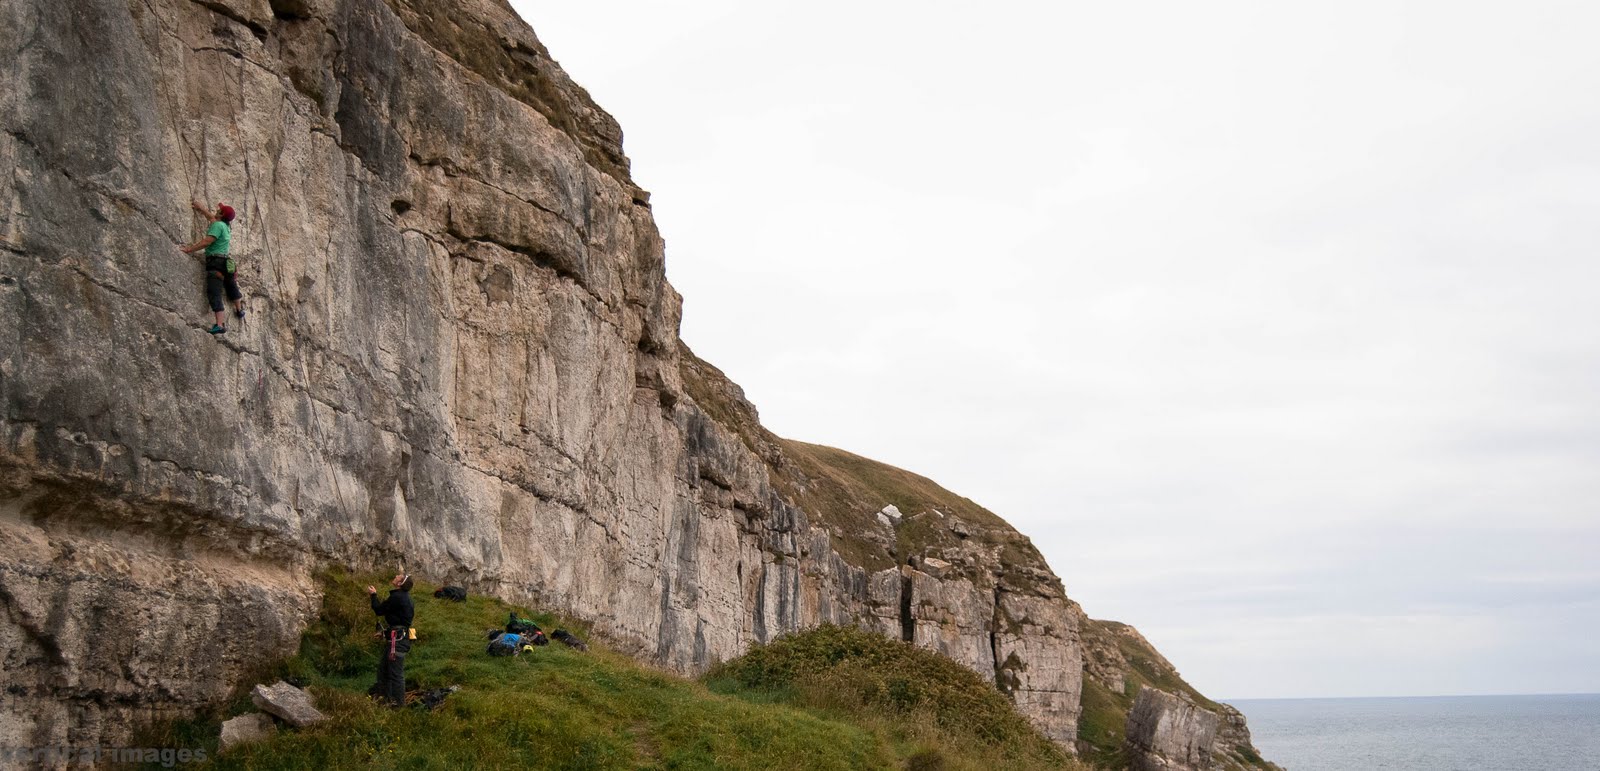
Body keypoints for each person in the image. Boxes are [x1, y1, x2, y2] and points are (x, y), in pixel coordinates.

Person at [178, 200, 243, 334]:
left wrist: (190, 249)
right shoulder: (225, 226)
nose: (216, 211)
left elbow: (207, 241)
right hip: (226, 262)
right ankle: (239, 310)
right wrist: (201, 208)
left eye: (219, 210)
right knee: (231, 284)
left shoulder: (218, 226)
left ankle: (219, 324)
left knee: (215, 291)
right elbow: (212, 218)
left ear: (221, 214)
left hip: (216, 263)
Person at [367, 574, 415, 707]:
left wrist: (373, 595)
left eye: (399, 576)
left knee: (395, 673)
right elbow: (399, 620)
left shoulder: (397, 597)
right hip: (399, 638)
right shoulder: (406, 598)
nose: (396, 576)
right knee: (384, 670)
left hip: (397, 641)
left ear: (400, 583)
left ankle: (398, 705)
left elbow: (379, 610)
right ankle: (385, 699)